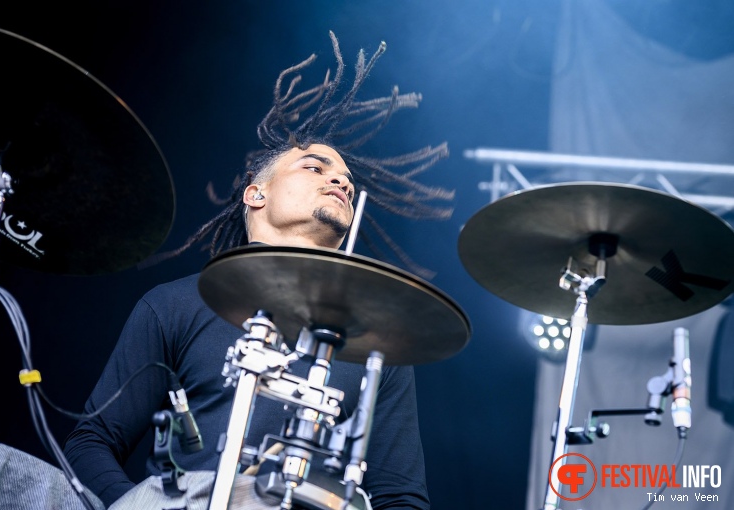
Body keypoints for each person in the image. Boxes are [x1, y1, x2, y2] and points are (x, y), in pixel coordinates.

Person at [64, 31, 453, 510]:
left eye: (348, 181)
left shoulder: (381, 344)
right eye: (315, 167)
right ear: (256, 194)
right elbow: (91, 443)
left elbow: (401, 497)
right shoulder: (177, 305)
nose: (341, 181)